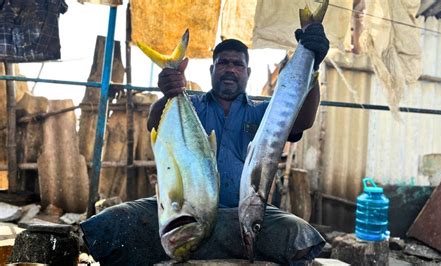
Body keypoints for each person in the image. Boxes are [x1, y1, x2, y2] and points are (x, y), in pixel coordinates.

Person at [80, 22, 329, 265]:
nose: (230, 69)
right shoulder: (191, 104)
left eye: (237, 64)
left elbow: (301, 122)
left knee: (298, 234)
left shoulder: (264, 112)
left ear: (247, 73)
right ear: (211, 70)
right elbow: (154, 123)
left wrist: (312, 66)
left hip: (240, 212)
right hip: (184, 210)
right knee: (111, 222)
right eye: (223, 63)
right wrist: (168, 93)